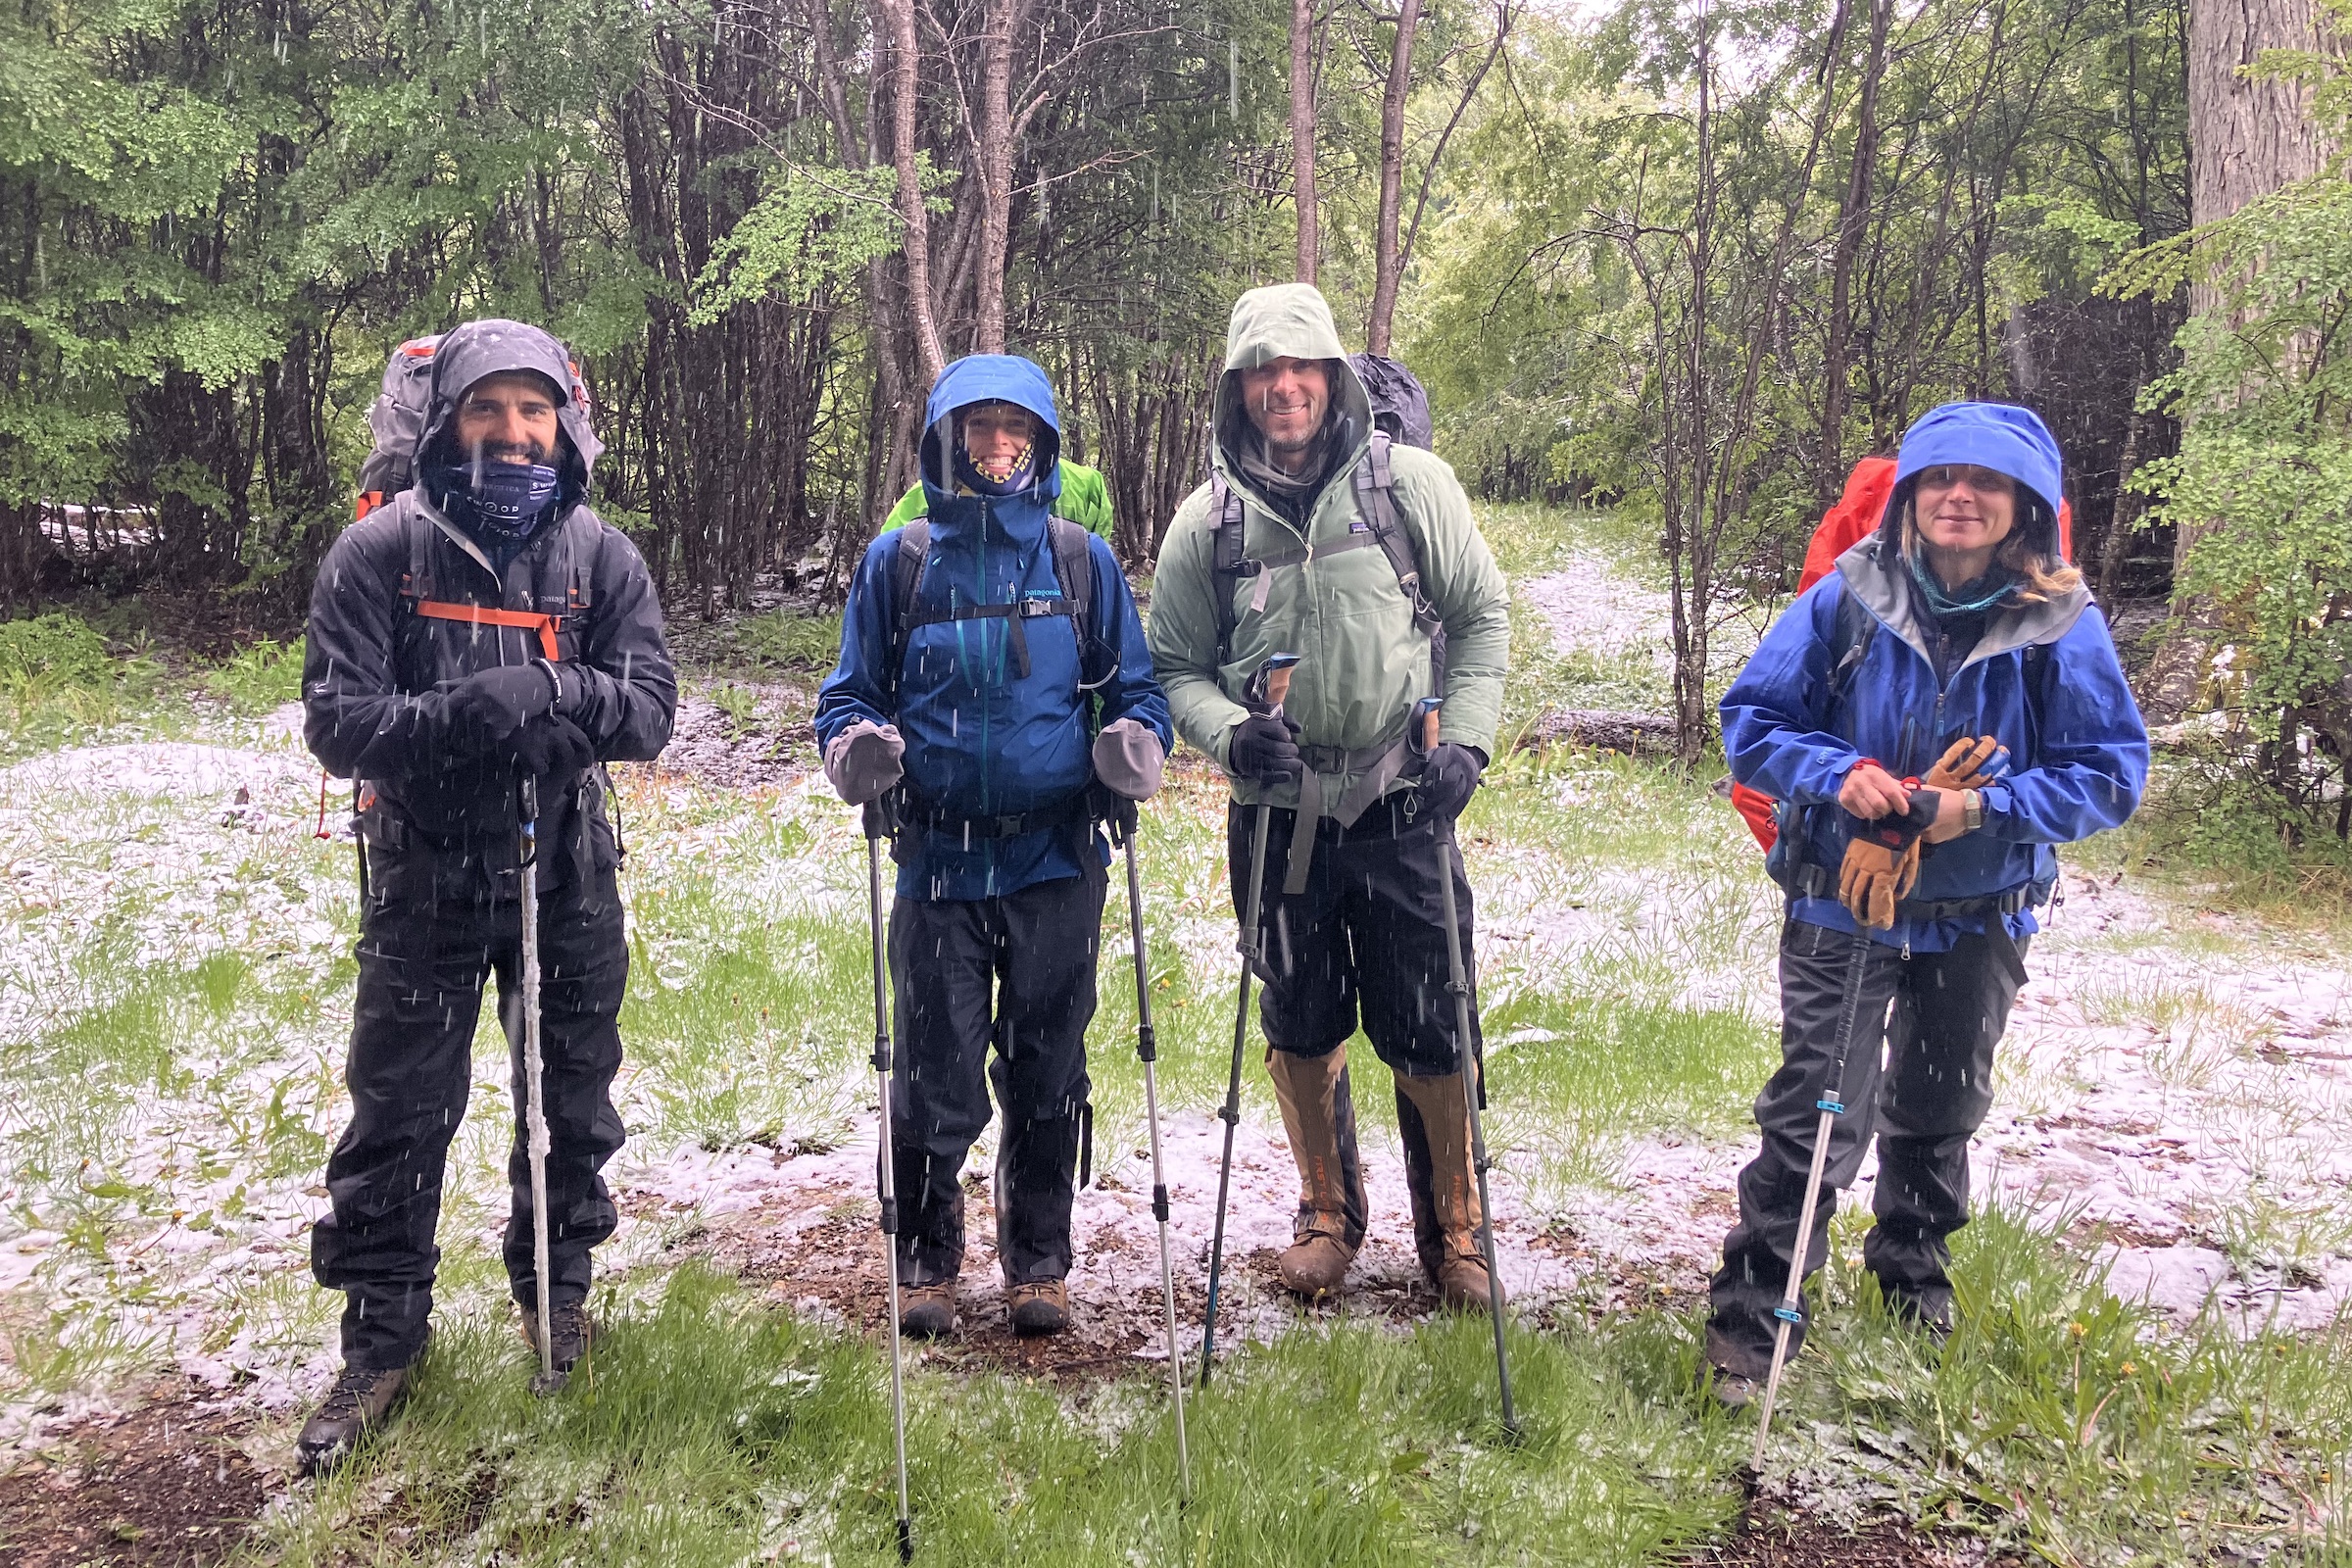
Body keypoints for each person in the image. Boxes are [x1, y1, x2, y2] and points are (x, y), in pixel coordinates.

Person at [1705, 402, 2148, 1400]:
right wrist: (1839, 773)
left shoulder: (2060, 624)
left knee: (1940, 1103)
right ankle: (1752, 1320)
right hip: (1841, 902)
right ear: (1911, 496)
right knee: (1816, 1114)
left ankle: (1913, 1285)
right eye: (1942, 479)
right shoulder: (1849, 597)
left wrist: (1978, 809)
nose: (1961, 496)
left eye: (1986, 483)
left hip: (1981, 906)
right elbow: (1753, 722)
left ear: (2023, 507)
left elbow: (2111, 774)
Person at [296, 319, 675, 1471]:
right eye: (487, 410)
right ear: (447, 418)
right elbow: (336, 723)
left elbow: (650, 706)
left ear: (565, 425)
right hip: (423, 872)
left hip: (562, 865)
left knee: (568, 1095)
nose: (513, 434)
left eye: (534, 411)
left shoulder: (599, 556)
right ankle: (381, 1342)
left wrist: (553, 686)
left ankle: (557, 1296)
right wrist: (460, 717)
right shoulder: (379, 555)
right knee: (401, 1109)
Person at [1146, 284, 1512, 1309]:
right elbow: (1173, 666)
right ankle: (1326, 1213)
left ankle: (1457, 1229)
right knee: (1300, 1013)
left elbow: (1481, 615)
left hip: (1407, 803)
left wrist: (1469, 747)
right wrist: (1226, 734)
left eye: (1301, 367)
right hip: (1278, 817)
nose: (1284, 387)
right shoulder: (1206, 524)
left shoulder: (1412, 487)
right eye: (1263, 371)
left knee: (1433, 1020)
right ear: (1237, 388)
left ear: (1334, 377)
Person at [814, 355, 1171, 1339]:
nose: (998, 445)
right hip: (937, 861)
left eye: (1017, 428)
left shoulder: (1077, 560)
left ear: (1043, 442)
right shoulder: (902, 561)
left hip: (1058, 858)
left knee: (1048, 1068)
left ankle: (1038, 1262)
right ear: (946, 440)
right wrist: (857, 750)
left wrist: (1134, 745)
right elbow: (846, 695)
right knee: (934, 1067)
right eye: (979, 428)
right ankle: (926, 1257)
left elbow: (1136, 690)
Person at [883, 452, 1116, 539]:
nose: (998, 440)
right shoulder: (929, 496)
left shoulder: (1085, 487)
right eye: (981, 424)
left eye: (1014, 424)